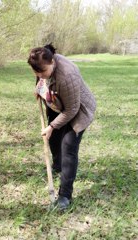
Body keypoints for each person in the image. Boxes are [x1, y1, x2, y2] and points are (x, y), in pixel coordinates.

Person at [27, 44, 96, 210]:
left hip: (78, 110)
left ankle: (65, 196)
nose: (39, 75)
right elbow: (42, 78)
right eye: (36, 72)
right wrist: (40, 89)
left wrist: (51, 126)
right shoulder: (43, 63)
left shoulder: (67, 76)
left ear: (52, 63)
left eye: (42, 72)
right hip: (57, 103)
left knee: (68, 148)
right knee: (53, 140)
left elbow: (72, 110)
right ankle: (57, 166)